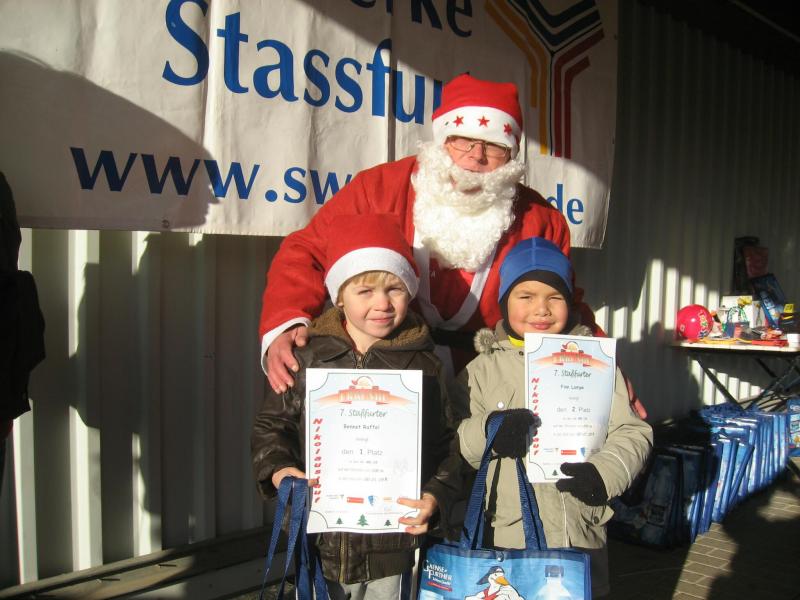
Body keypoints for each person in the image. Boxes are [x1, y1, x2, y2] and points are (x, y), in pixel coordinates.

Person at [260, 73, 594, 395]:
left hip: (490, 382)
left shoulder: (540, 219)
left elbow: (567, 304)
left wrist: (599, 374)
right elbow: (306, 251)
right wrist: (287, 323)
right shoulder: (378, 190)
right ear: (442, 139)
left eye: (495, 146)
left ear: (511, 156)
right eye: (463, 140)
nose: (476, 156)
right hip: (387, 371)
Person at [251, 214, 466, 599]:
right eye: (365, 291)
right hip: (319, 539)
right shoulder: (308, 359)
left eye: (395, 289)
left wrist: (435, 496)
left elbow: (447, 445)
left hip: (392, 549)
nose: (382, 303)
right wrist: (279, 470)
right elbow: (272, 426)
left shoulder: (424, 366)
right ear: (339, 296)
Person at [455, 237, 652, 598]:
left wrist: (604, 473)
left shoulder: (595, 364)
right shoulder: (480, 371)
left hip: (577, 533)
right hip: (506, 537)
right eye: (525, 296)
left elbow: (632, 431)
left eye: (555, 297)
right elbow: (453, 439)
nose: (541, 309)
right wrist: (490, 432)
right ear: (504, 301)